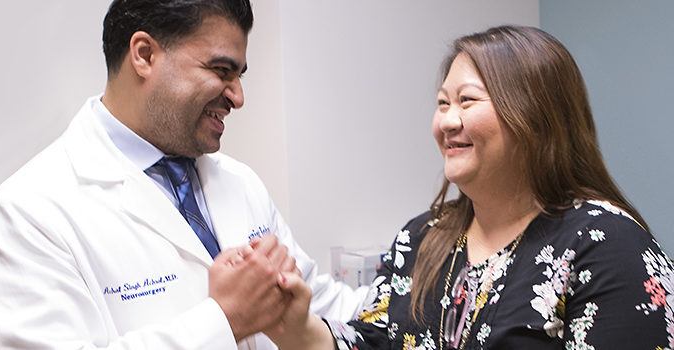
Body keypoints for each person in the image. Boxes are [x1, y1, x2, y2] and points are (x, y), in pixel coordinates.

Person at [263, 25, 674, 349]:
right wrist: (298, 330)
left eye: (467, 101)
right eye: (443, 103)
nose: (447, 122)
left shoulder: (608, 246)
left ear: (535, 116)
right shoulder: (422, 238)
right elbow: (375, 342)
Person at [0, 1, 367, 349]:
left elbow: (324, 304)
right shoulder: (28, 212)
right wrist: (224, 319)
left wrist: (416, 293)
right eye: (222, 71)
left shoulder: (240, 183)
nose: (238, 97)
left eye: (240, 76)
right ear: (144, 55)